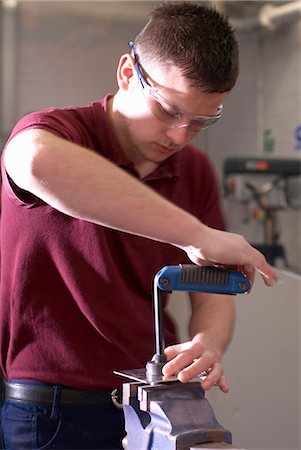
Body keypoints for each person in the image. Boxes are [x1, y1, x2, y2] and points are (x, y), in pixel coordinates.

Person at [0, 2, 278, 449]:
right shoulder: (56, 134)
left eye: (202, 122)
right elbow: (32, 160)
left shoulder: (195, 171)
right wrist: (197, 235)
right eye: (169, 111)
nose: (179, 137)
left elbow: (212, 290)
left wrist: (208, 342)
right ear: (128, 72)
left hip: (160, 402)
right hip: (52, 411)